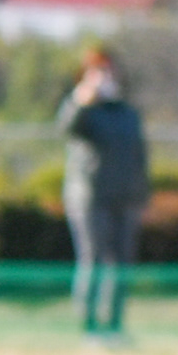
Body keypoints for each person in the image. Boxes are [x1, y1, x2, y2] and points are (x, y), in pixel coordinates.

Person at [58, 46, 150, 338]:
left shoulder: (127, 113)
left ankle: (115, 324)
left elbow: (139, 155)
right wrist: (82, 101)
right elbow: (66, 128)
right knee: (93, 259)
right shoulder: (84, 111)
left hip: (125, 198)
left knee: (122, 264)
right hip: (90, 197)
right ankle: (89, 324)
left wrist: (141, 193)